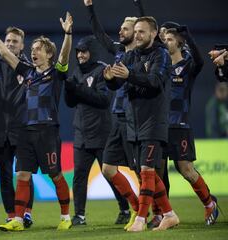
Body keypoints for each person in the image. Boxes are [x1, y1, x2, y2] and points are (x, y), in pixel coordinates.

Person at [0, 11, 73, 231]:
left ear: (48, 54)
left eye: (38, 49)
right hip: (25, 132)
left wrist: (68, 34)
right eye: (33, 49)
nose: (33, 52)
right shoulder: (27, 72)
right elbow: (2, 51)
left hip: (47, 131)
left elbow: (65, 56)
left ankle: (66, 216)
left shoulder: (57, 73)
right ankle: (18, 219)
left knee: (55, 175)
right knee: (23, 175)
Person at [103, 16, 179, 232]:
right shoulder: (131, 55)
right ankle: (170, 214)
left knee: (146, 170)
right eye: (135, 31)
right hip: (133, 121)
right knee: (148, 173)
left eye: (142, 32)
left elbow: (155, 81)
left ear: (153, 34)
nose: (137, 35)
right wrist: (110, 78)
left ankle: (140, 219)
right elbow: (119, 82)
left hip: (154, 121)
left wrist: (130, 75)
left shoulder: (161, 54)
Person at [159, 27, 220, 226]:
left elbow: (200, 61)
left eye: (169, 39)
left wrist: (188, 36)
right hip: (160, 126)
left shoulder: (187, 66)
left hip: (180, 125)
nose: (166, 41)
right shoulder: (162, 65)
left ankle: (209, 203)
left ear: (178, 43)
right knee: (156, 171)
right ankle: (164, 214)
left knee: (185, 170)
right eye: (165, 39)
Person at [83, 0, 136, 228]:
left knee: (144, 171)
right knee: (108, 168)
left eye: (125, 28)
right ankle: (138, 208)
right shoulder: (118, 51)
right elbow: (99, 33)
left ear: (138, 32)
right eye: (121, 28)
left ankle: (159, 211)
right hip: (118, 116)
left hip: (137, 118)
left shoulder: (146, 55)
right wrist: (90, 7)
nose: (120, 31)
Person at [64, 35, 127, 226]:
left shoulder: (102, 71)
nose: (80, 55)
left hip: (101, 132)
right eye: (78, 52)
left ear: (92, 52)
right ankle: (80, 216)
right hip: (81, 133)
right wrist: (69, 90)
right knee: (79, 177)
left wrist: (79, 89)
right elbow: (70, 103)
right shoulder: (76, 72)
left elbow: (104, 100)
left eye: (84, 51)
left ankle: (125, 209)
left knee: (109, 174)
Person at [0, 26, 35, 227]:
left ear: (22, 46)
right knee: (4, 176)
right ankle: (11, 214)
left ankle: (26, 212)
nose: (10, 44)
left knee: (24, 174)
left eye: (14, 41)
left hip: (23, 130)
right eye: (8, 40)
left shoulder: (29, 68)